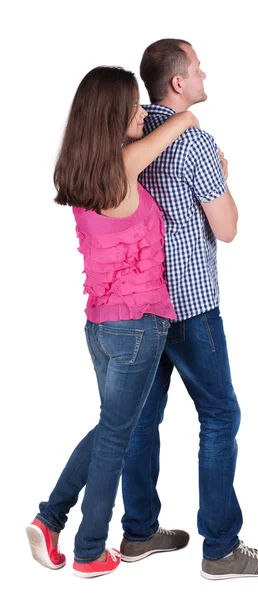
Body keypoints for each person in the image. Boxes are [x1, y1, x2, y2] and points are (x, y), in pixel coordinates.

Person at [25, 66, 198, 578]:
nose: (144, 114)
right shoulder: (123, 166)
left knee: (110, 429)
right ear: (113, 117)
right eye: (135, 108)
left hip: (100, 326)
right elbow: (183, 119)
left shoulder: (81, 171)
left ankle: (50, 518)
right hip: (140, 325)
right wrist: (181, 113)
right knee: (117, 438)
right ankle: (88, 551)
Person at [119, 39, 258, 580]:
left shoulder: (129, 137)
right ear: (178, 83)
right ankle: (221, 548)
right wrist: (222, 178)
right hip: (190, 307)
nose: (204, 71)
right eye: (196, 66)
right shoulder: (194, 144)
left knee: (143, 417)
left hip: (140, 307)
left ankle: (139, 532)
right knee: (220, 415)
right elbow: (228, 229)